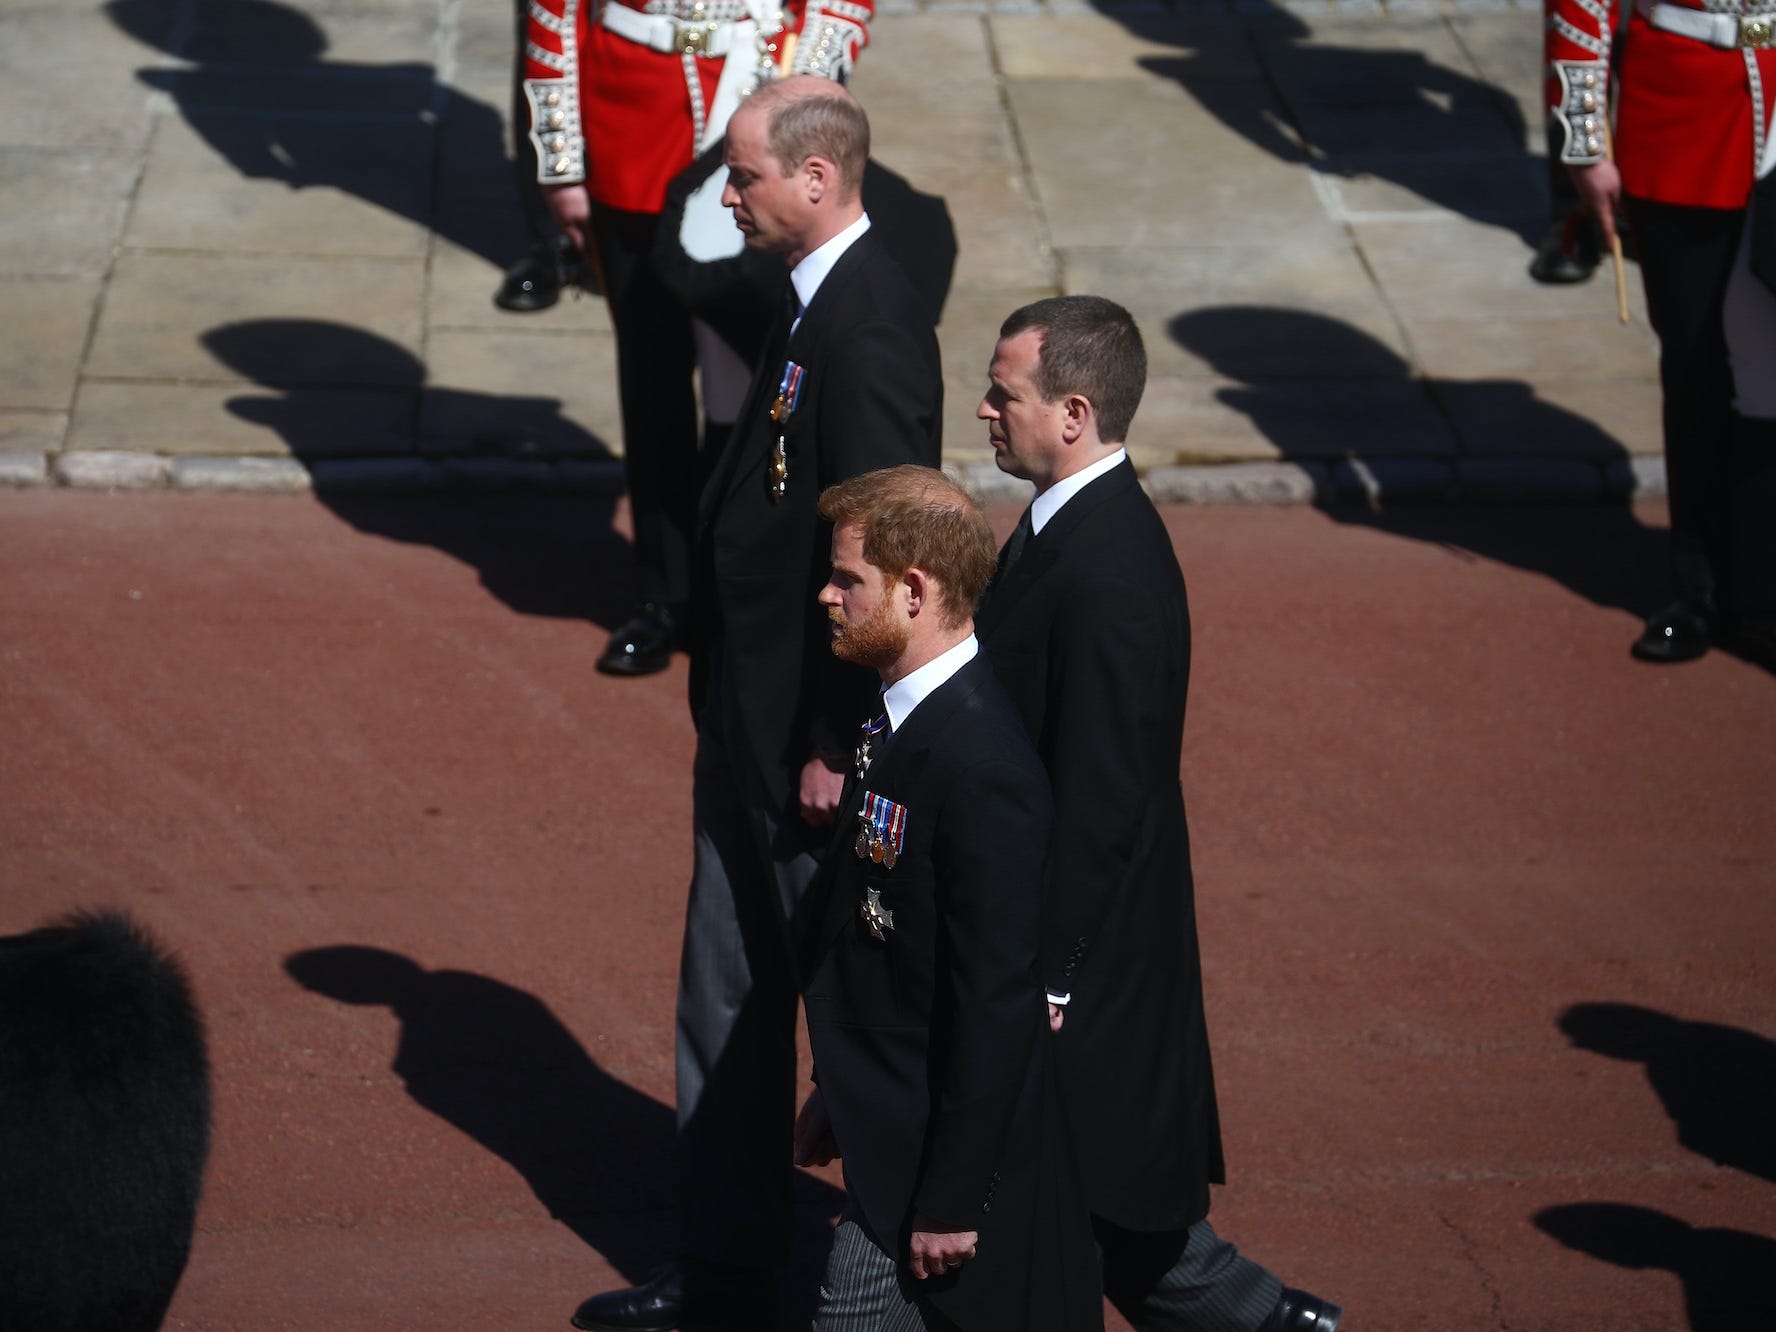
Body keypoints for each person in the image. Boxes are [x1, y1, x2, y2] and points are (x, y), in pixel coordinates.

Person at [572, 77, 942, 1332]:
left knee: (853, 1015)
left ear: (818, 182)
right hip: (746, 713)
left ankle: (897, 1277)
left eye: (743, 178)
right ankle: (725, 1269)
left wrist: (843, 739)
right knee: (723, 994)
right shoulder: (805, 301)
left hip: (810, 743)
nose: (727, 198)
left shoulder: (874, 329)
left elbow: (890, 550)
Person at [973, 296, 1342, 1332]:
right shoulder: (1067, 531)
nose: (985, 412)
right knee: (1119, 1228)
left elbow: (1103, 793)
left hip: (1091, 967)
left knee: (1066, 1218)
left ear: (1074, 413)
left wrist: (1048, 973)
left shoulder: (1113, 569)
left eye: (1005, 396)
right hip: (1083, 959)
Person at [794, 464, 1099, 1331]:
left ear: (915, 590)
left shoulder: (981, 767)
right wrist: (840, 1091)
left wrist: (955, 1199)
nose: (825, 594)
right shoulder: (905, 717)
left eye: (848, 578)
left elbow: (995, 1001)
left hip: (936, 1173)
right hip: (893, 1131)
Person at [520, 0, 875, 675]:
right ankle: (664, 595)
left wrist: (795, 107)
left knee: (748, 391)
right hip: (630, 129)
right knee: (650, 385)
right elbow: (556, 10)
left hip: (757, 121)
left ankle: (735, 590)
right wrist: (563, 160)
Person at [1547, 0, 1776, 664]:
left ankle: (1762, 588)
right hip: (1682, 120)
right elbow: (1583, 6)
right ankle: (1699, 589)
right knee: (1696, 359)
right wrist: (1587, 144)